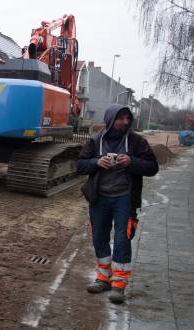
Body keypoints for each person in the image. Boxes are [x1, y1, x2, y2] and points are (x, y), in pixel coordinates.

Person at [77, 104, 158, 304]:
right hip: (100, 198)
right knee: (99, 237)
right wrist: (96, 162)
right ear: (111, 119)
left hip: (125, 199)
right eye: (121, 118)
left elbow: (152, 167)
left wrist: (132, 162)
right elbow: (79, 165)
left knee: (123, 239)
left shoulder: (137, 142)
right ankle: (103, 278)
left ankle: (119, 285)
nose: (126, 121)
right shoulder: (96, 141)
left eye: (127, 118)